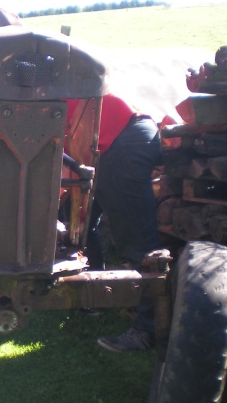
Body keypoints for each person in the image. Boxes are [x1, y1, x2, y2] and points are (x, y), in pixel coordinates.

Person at [66, 94, 161, 352]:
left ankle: (147, 330)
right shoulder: (52, 86)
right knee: (82, 223)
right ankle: (95, 297)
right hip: (110, 144)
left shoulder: (48, 92)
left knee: (138, 241)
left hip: (124, 142)